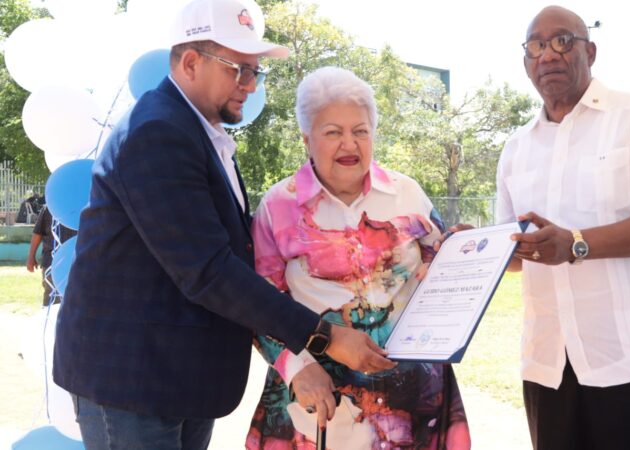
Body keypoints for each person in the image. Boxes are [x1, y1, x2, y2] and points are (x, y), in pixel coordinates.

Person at [52, 1, 394, 448]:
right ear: (191, 63)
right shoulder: (157, 132)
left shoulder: (198, 132)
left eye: (256, 71)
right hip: (134, 382)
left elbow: (228, 248)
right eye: (238, 69)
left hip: (177, 377)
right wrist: (323, 336)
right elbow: (209, 269)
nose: (250, 85)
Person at [495, 6, 630, 450]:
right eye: (536, 45)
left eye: (562, 41)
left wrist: (576, 244)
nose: (548, 54)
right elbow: (514, 258)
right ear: (525, 62)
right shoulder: (516, 148)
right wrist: (476, 250)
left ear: (590, 52)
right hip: (549, 369)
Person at [245, 66, 471, 449]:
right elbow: (259, 302)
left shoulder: (407, 193)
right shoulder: (278, 206)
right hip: (321, 402)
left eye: (360, 131)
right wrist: (298, 368)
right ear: (306, 138)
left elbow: (439, 272)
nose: (349, 144)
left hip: (415, 398)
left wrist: (465, 252)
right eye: (333, 132)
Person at [25, 205, 77, 306]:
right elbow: (38, 232)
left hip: (77, 262)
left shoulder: (83, 204)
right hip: (52, 263)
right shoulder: (50, 207)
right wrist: (31, 257)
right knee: (52, 301)